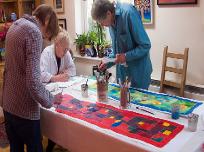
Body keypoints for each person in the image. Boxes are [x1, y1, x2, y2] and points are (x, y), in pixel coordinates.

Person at [2, 4, 62, 152]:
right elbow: (34, 82)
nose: (43, 37)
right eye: (46, 34)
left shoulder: (15, 25)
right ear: (46, 21)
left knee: (15, 148)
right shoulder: (33, 32)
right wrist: (51, 99)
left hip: (8, 105)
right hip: (24, 110)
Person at [91, 0, 152, 89]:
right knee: (121, 102)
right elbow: (118, 53)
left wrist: (126, 56)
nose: (101, 25)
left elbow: (145, 45)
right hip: (123, 76)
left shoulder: (129, 13)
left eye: (101, 21)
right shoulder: (111, 22)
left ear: (108, 13)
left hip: (138, 74)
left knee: (135, 103)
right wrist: (107, 61)